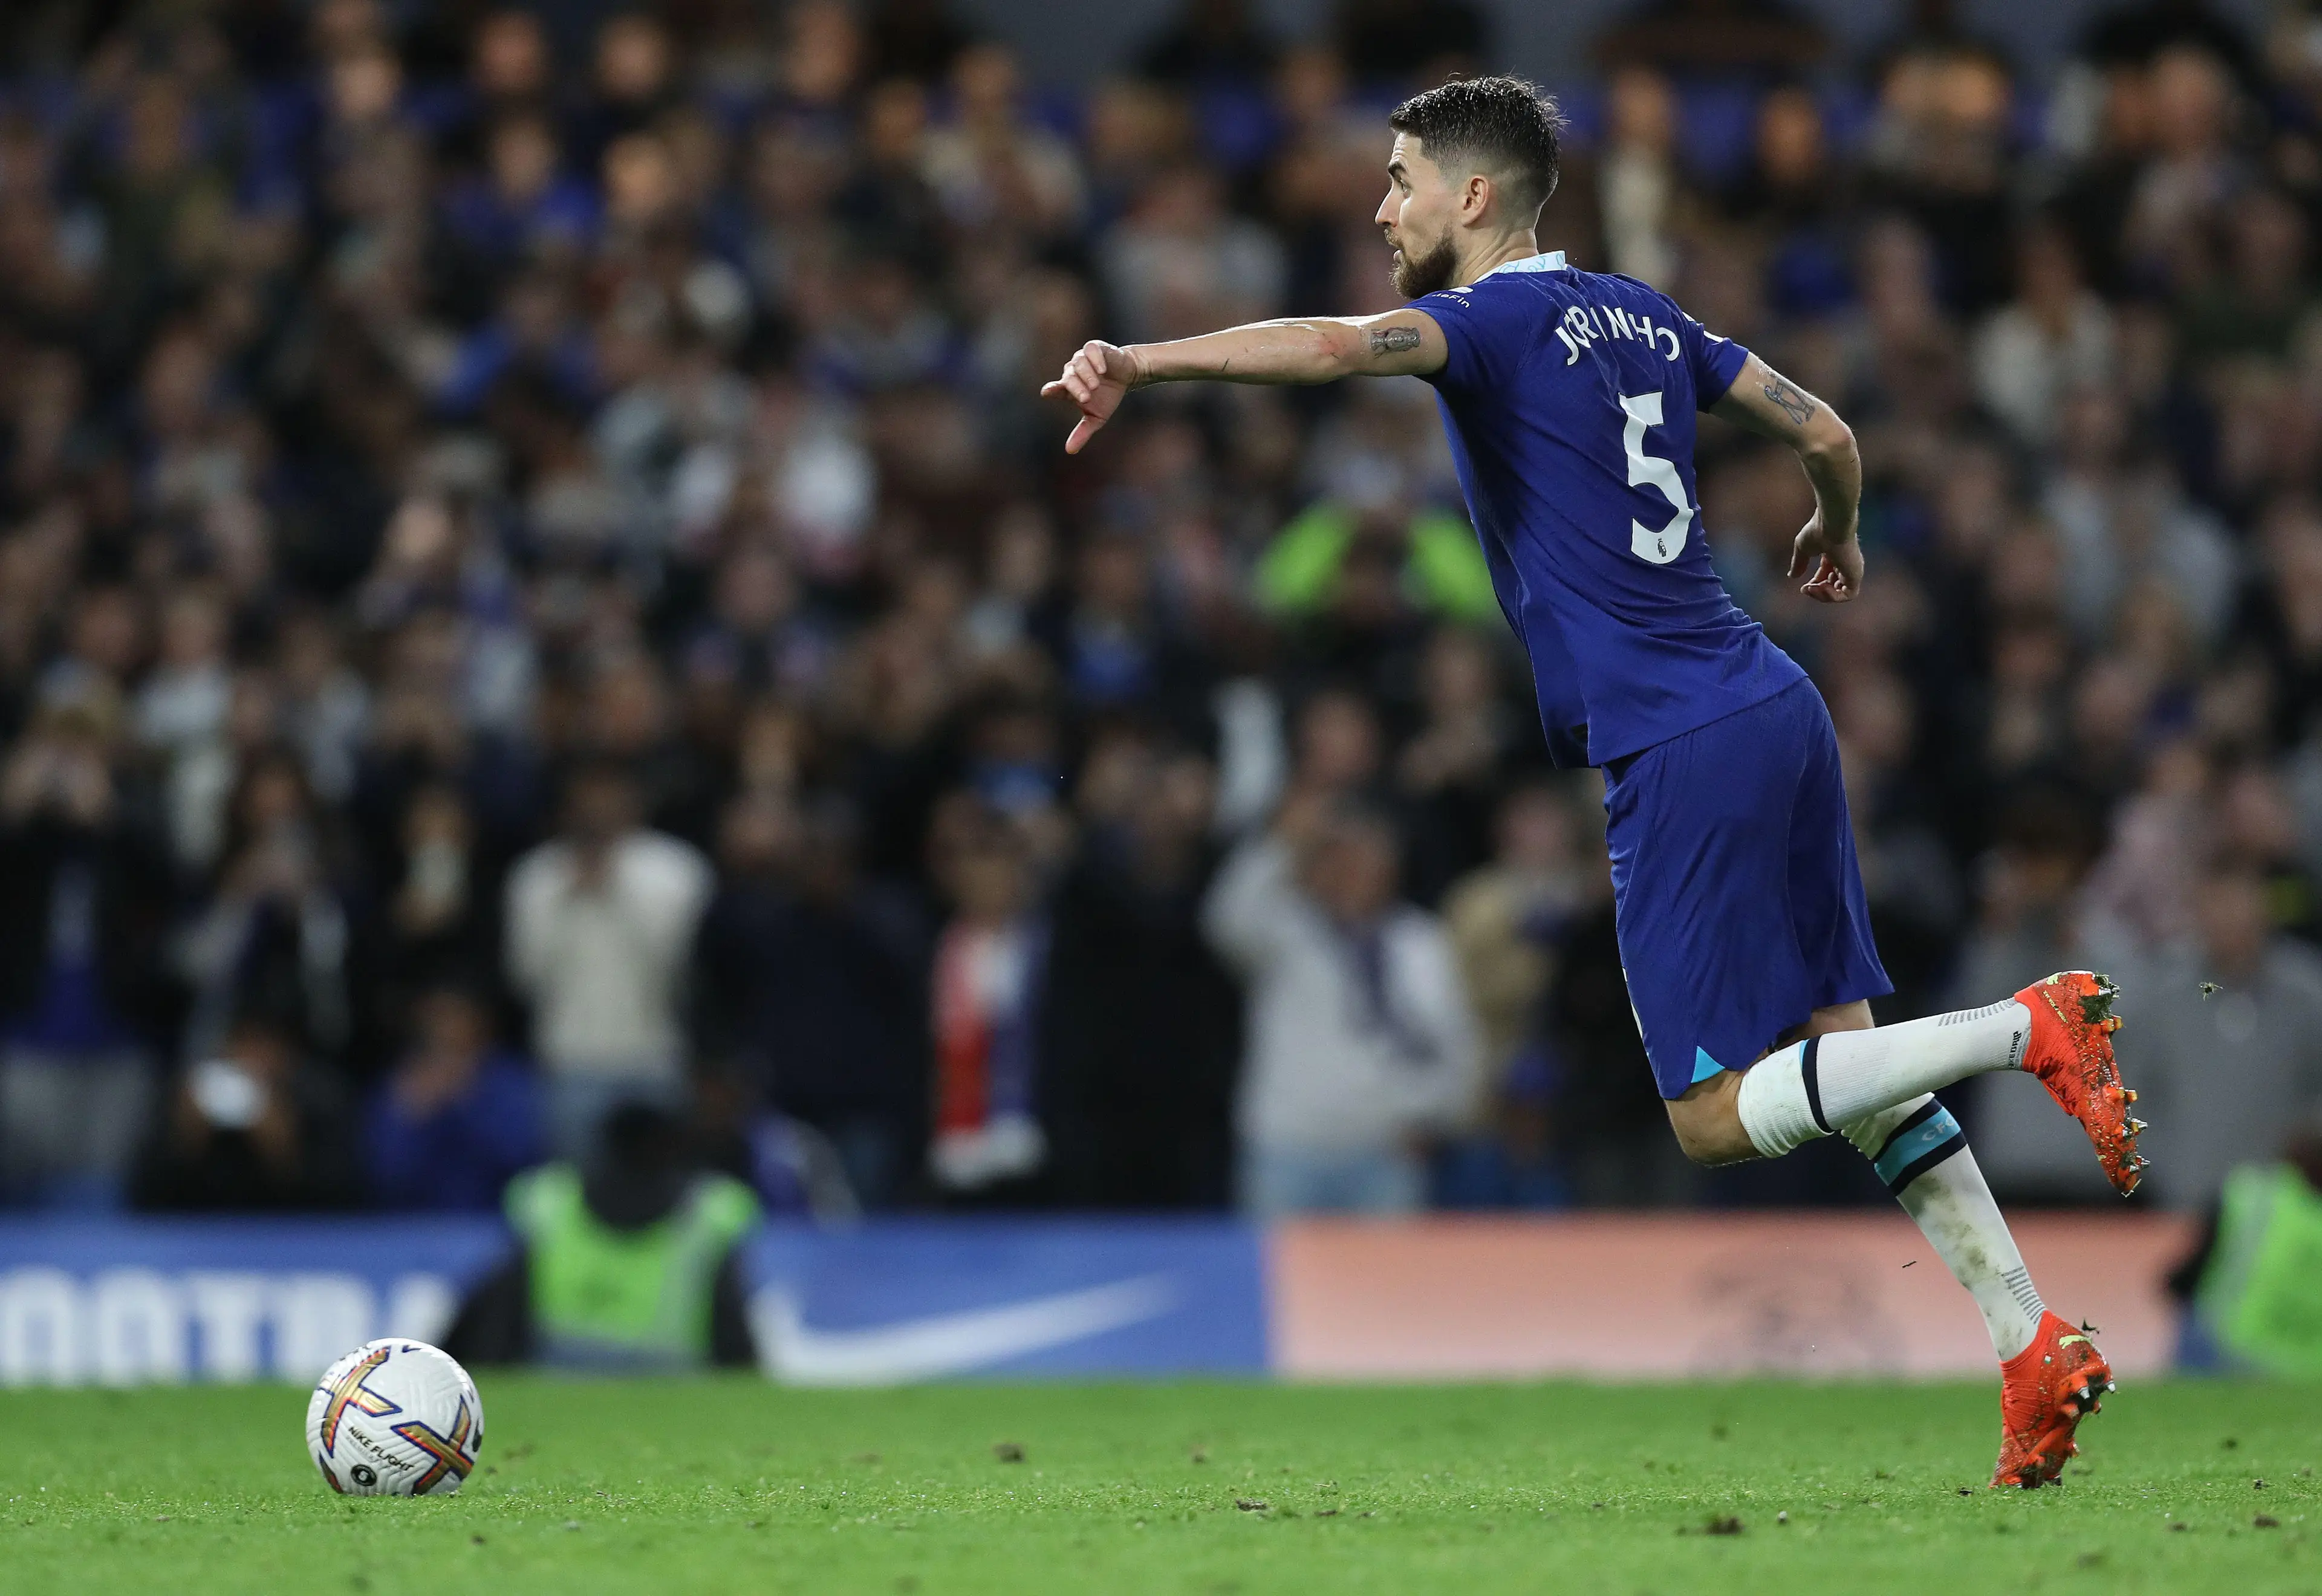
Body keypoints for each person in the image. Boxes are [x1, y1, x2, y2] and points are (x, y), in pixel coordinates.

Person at [1041, 74, 2144, 1488]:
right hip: (1771, 700)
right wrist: (1836, 535)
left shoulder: (1484, 322)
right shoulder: (1646, 314)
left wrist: (1138, 358)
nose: (1381, 207)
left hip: (1677, 736)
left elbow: (1324, 348)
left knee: (1708, 1114)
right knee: (1851, 1070)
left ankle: (2025, 1027)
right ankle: (2025, 1341)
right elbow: (1826, 433)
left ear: (1474, 196)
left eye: (1398, 180)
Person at [1204, 793, 1481, 1215]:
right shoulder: (1285, 928)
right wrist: (1284, 841)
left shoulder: (1419, 941)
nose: (1357, 871)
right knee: (1277, 1280)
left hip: (1383, 1155)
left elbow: (1457, 1044)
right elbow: (1226, 917)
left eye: (1371, 858)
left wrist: (1437, 1120)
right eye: (1344, 857)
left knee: (1388, 1282)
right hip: (1287, 1152)